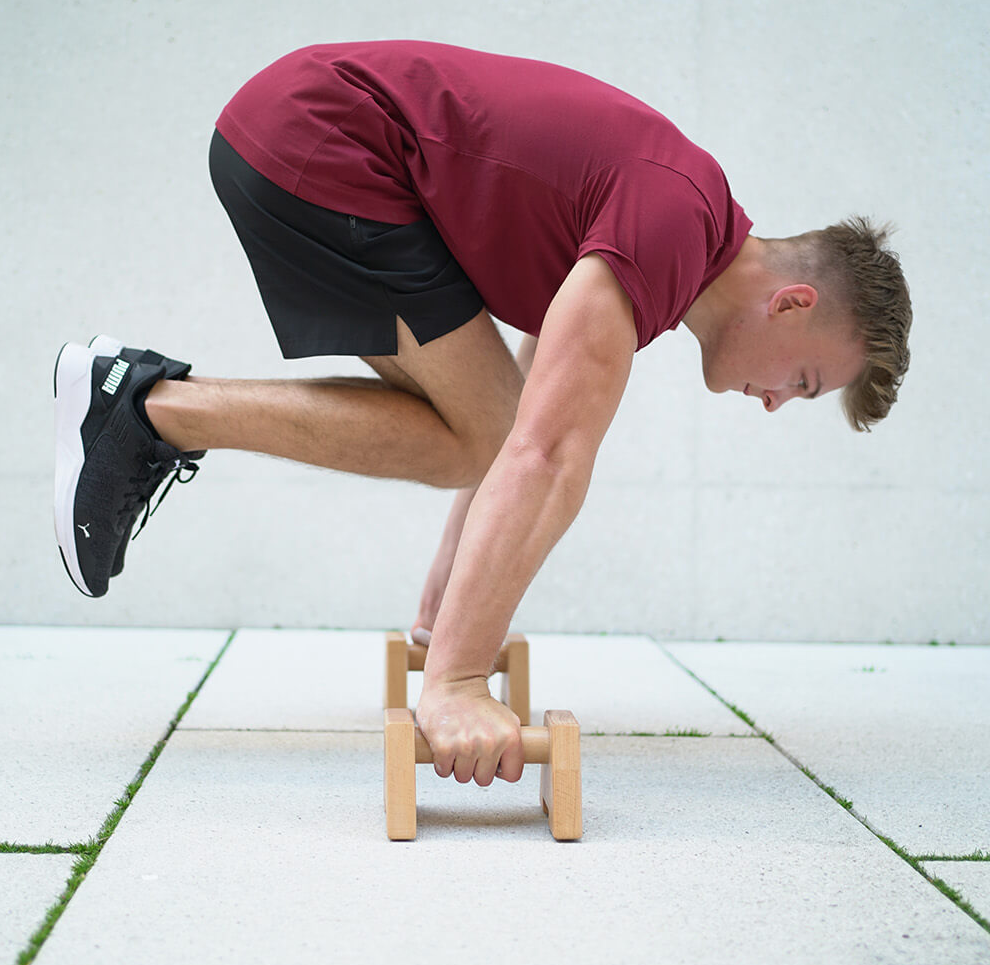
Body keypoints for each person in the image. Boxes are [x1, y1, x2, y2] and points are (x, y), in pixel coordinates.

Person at [53, 40, 911, 788]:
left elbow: (522, 413)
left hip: (301, 133)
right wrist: (456, 682)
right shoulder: (673, 224)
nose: (775, 404)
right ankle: (143, 406)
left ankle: (142, 407)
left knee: (479, 431)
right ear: (793, 304)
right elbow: (546, 458)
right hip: (321, 136)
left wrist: (448, 601)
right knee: (492, 439)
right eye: (802, 381)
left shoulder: (672, 235)